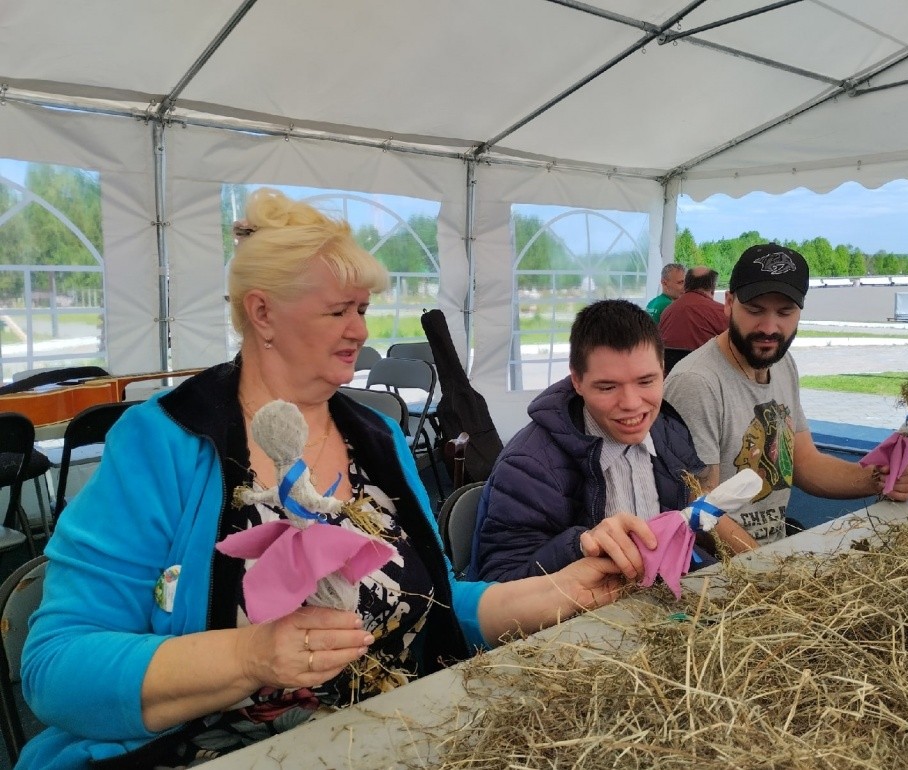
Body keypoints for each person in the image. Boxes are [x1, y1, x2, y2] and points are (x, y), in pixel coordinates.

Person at [18, 188, 625, 769]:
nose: (360, 331)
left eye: (361, 310)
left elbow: (428, 599)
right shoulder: (167, 441)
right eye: (338, 311)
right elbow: (56, 668)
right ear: (263, 313)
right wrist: (251, 656)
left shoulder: (376, 438)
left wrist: (558, 592)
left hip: (393, 738)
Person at [470, 299, 756, 583]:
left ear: (663, 371)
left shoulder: (669, 431)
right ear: (577, 381)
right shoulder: (529, 467)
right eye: (607, 387)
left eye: (646, 382)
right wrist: (581, 546)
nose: (632, 404)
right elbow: (500, 582)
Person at [663, 243, 908, 547]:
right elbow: (700, 511)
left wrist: (879, 479)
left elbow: (803, 461)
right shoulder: (697, 383)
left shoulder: (782, 364)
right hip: (719, 568)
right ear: (729, 303)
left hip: (773, 547)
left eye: (785, 312)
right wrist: (767, 567)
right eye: (755, 310)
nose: (770, 327)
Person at [658, 266, 727, 353]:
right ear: (712, 289)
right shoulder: (722, 312)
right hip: (703, 365)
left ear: (686, 286)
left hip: (669, 365)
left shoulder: (667, 312)